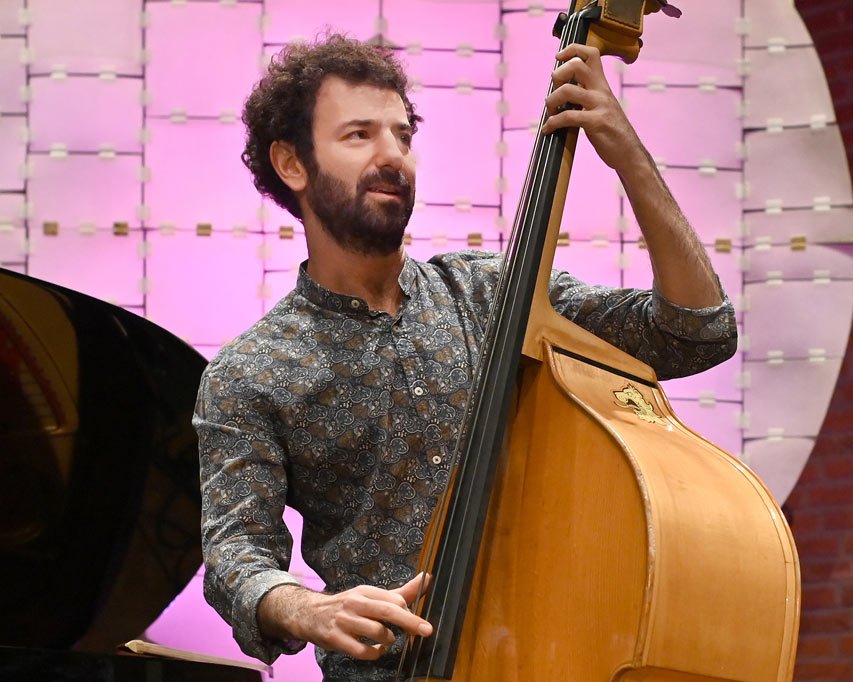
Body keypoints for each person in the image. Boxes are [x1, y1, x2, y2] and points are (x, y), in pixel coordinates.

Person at [195, 33, 736, 682]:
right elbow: (235, 555)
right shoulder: (250, 372)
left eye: (402, 135)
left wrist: (629, 159)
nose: (392, 155)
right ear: (291, 163)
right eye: (359, 135)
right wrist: (307, 608)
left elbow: (695, 331)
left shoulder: (495, 293)